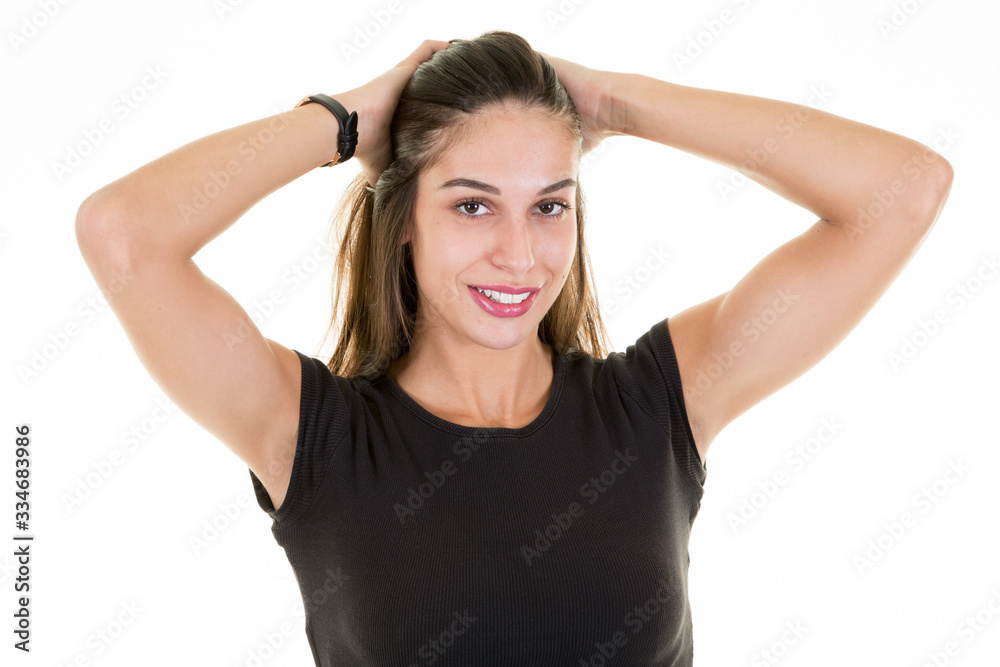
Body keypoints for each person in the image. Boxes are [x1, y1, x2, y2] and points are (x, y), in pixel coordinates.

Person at [75, 29, 952, 666]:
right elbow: (123, 235)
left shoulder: (657, 405)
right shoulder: (312, 436)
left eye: (549, 204)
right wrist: (343, 122)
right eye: (470, 203)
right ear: (404, 219)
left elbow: (904, 190)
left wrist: (614, 103)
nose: (520, 253)